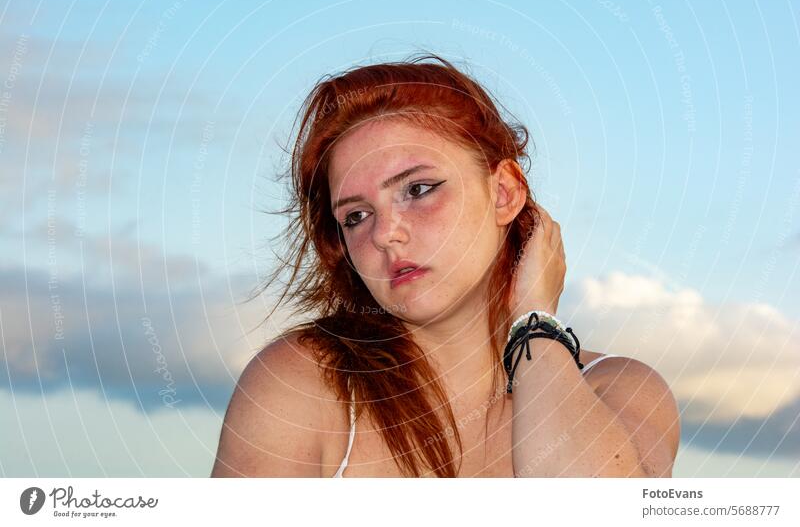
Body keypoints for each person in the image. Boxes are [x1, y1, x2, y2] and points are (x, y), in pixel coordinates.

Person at [210, 53, 680, 478]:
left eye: (418, 190)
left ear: (504, 192)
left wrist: (534, 322)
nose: (384, 233)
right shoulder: (303, 386)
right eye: (356, 216)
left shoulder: (618, 390)